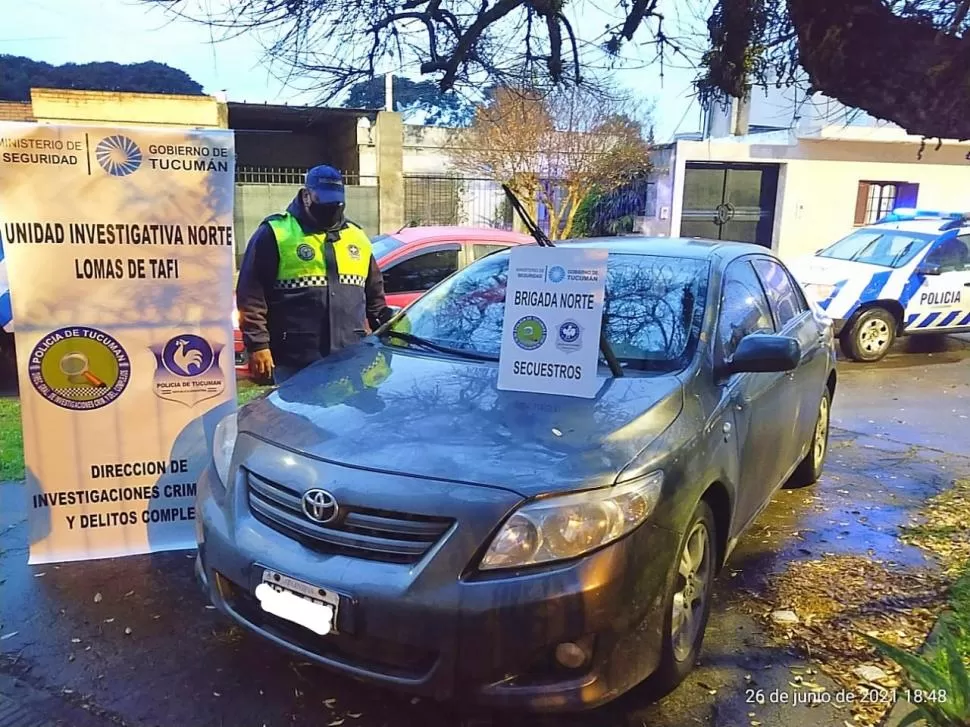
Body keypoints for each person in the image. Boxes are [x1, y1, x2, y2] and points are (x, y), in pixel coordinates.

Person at [236, 165, 394, 384]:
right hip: (294, 362)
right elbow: (251, 295)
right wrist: (258, 345)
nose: (330, 209)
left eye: (336, 204)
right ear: (306, 195)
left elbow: (375, 298)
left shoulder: (357, 238)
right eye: (324, 202)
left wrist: (387, 333)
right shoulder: (276, 232)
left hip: (348, 360)